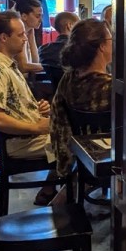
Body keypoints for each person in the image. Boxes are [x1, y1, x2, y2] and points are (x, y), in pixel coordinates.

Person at [0, 11, 56, 204]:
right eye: (20, 34)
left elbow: (11, 105)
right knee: (83, 146)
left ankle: (52, 192)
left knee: (78, 136)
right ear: (3, 38)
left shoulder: (6, 64)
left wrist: (35, 107)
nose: (25, 38)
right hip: (21, 143)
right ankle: (62, 205)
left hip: (26, 138)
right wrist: (37, 127)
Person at [50, 18, 113, 178]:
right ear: (102, 46)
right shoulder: (112, 88)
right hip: (112, 161)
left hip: (81, 159)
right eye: (111, 39)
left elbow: (57, 122)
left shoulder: (68, 79)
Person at [10, 0, 45, 77]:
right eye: (37, 16)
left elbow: (35, 60)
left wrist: (31, 34)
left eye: (41, 16)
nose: (41, 20)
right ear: (24, 16)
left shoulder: (29, 30)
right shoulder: (16, 34)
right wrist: (49, 66)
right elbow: (23, 66)